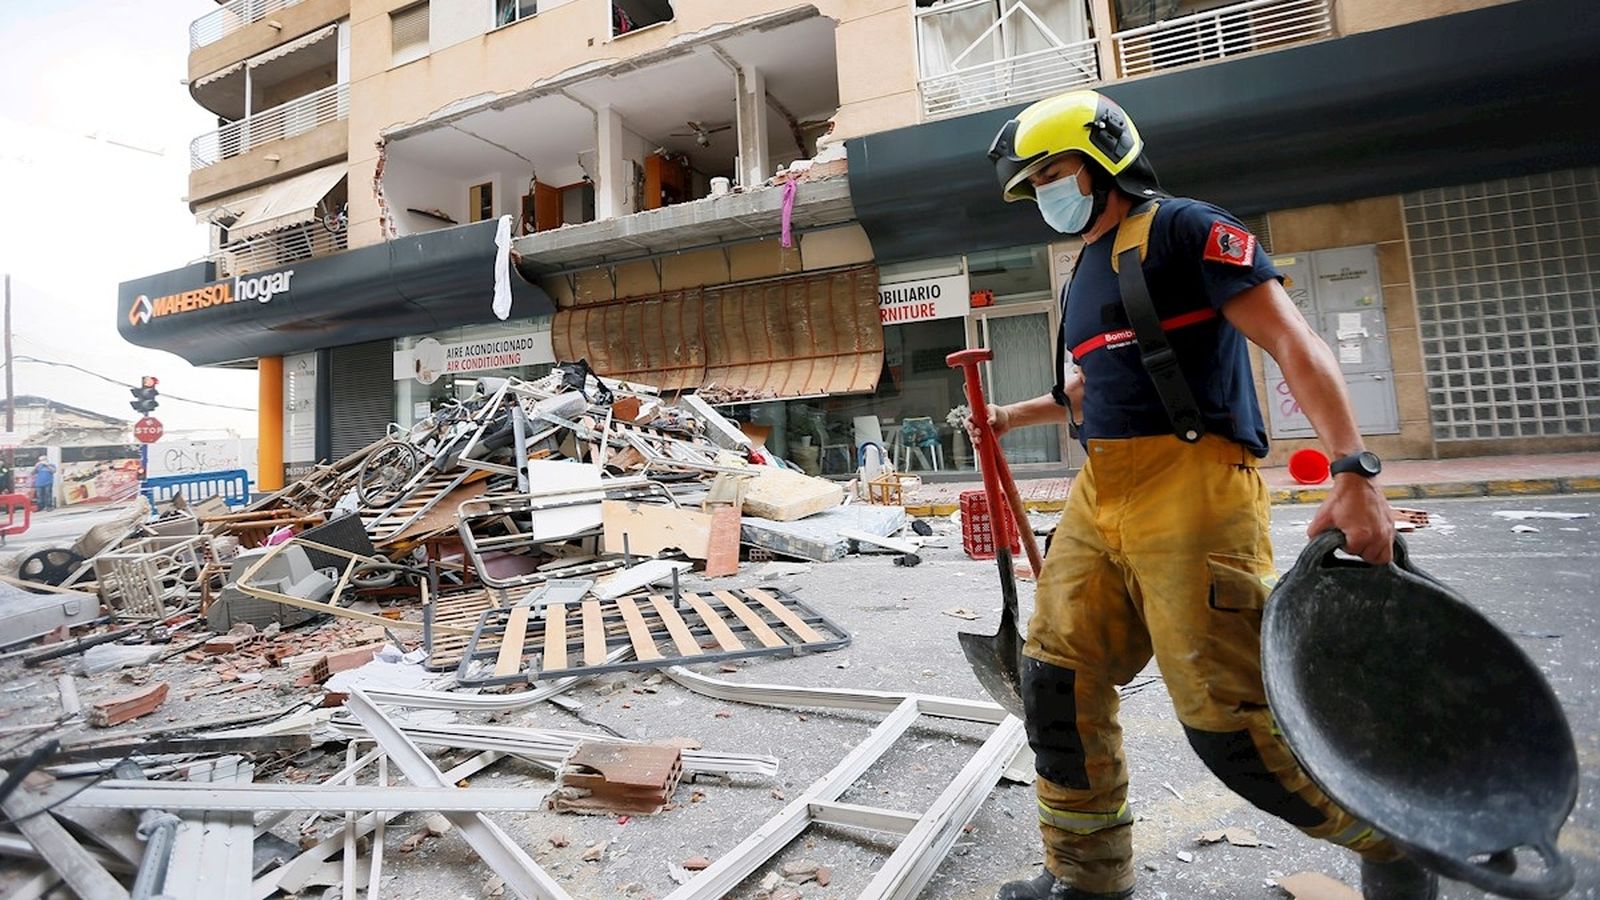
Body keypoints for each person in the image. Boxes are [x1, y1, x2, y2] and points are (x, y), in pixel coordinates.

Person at [975, 91, 1429, 900]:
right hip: (1101, 486)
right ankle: (1088, 878)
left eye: (1054, 172)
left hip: (1194, 487)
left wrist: (1353, 472)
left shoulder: (1188, 229)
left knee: (1232, 731)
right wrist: (1014, 415)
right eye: (1033, 182)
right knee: (1054, 684)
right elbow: (1096, 384)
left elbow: (1292, 338)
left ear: (1107, 155)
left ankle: (1401, 841)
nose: (1045, 192)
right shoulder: (1084, 268)